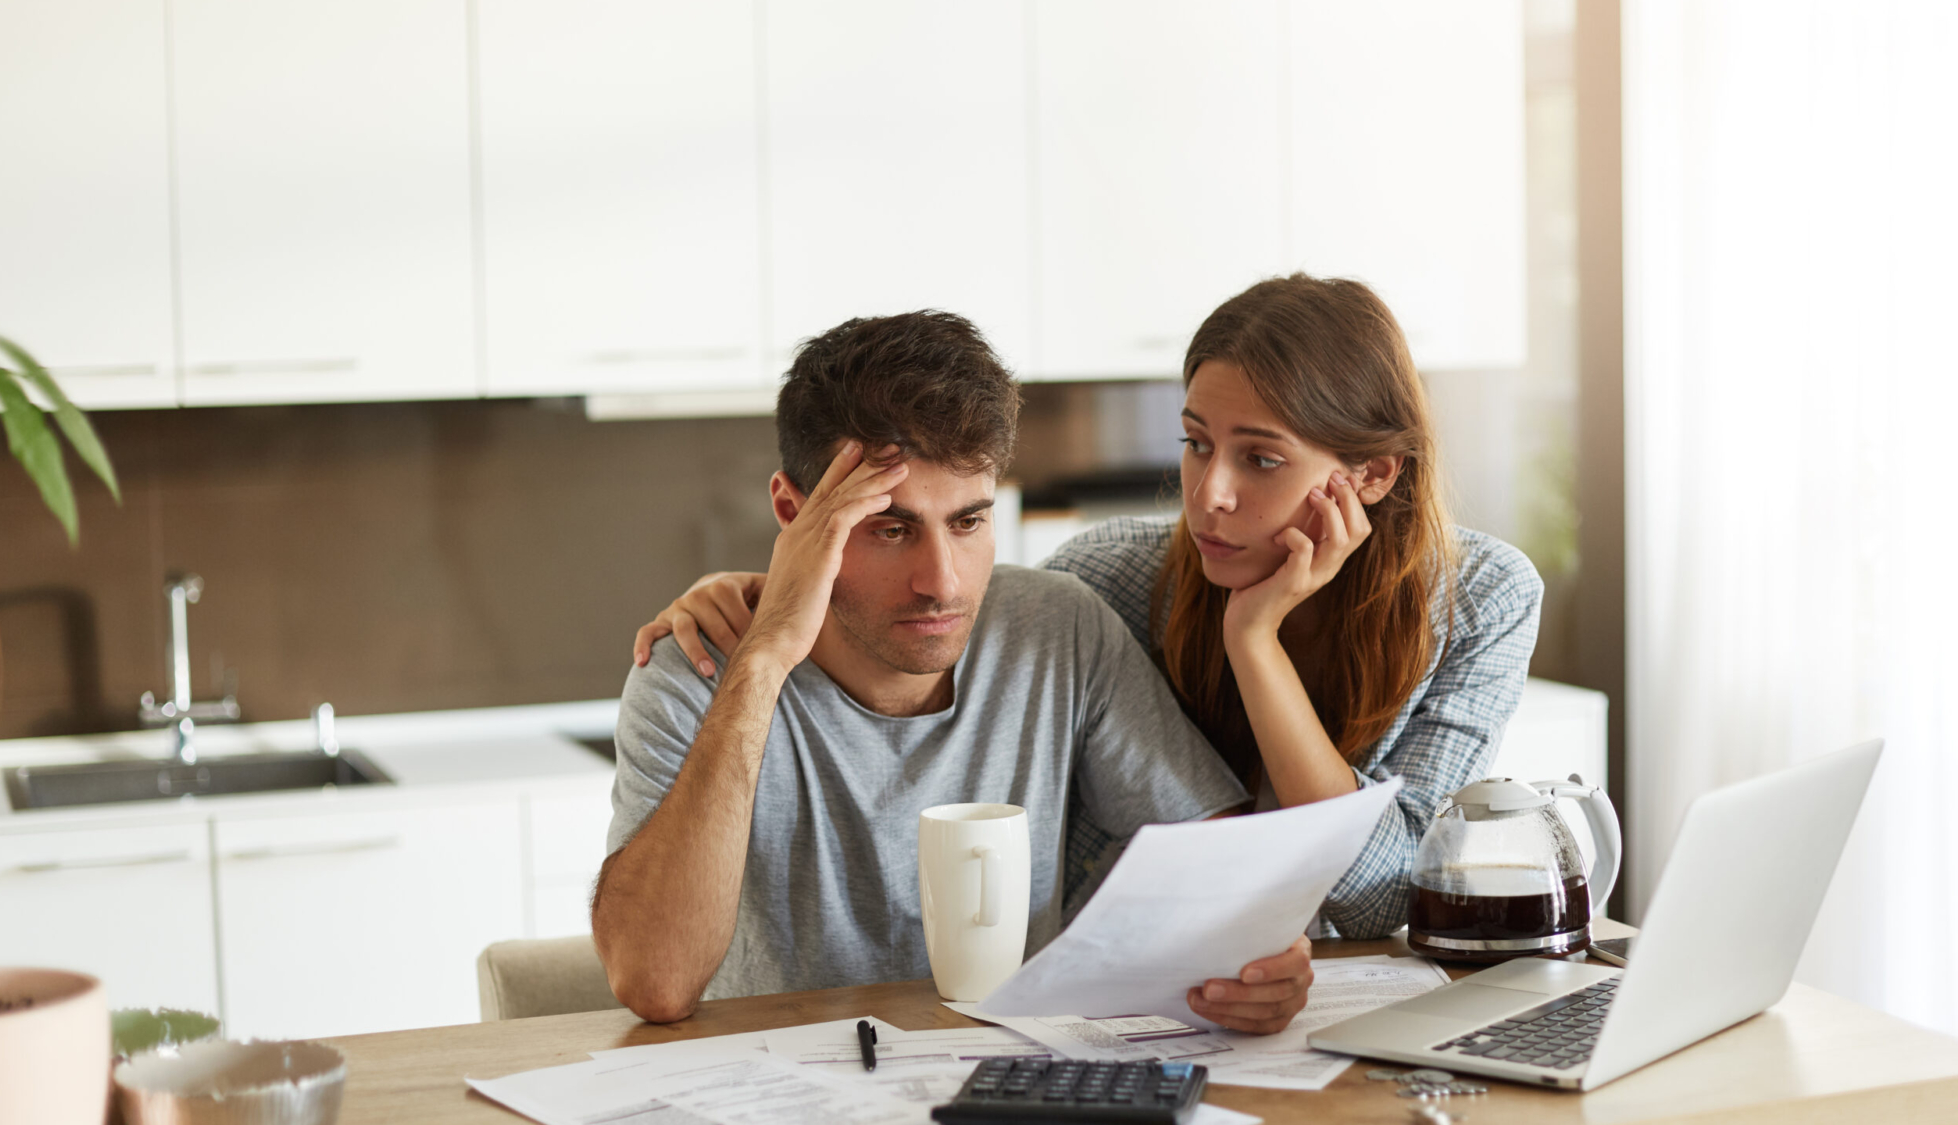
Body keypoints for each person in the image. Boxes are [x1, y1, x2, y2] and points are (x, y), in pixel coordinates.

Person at [632, 275, 1545, 943]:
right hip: (1139, 994)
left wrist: (1253, 641)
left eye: (1260, 460)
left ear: (1373, 474)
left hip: (1309, 989)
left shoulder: (1481, 601)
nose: (1209, 496)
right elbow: (938, 614)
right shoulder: (1105, 581)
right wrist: (769, 600)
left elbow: (1377, 894)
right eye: (1194, 445)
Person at [593, 310, 1317, 1031]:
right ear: (792, 511)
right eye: (889, 527)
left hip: (1009, 1081)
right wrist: (764, 659)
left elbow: (1227, 871)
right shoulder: (693, 667)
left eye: (968, 521)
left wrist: (1260, 961)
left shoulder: (1058, 628)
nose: (941, 581)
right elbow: (655, 983)